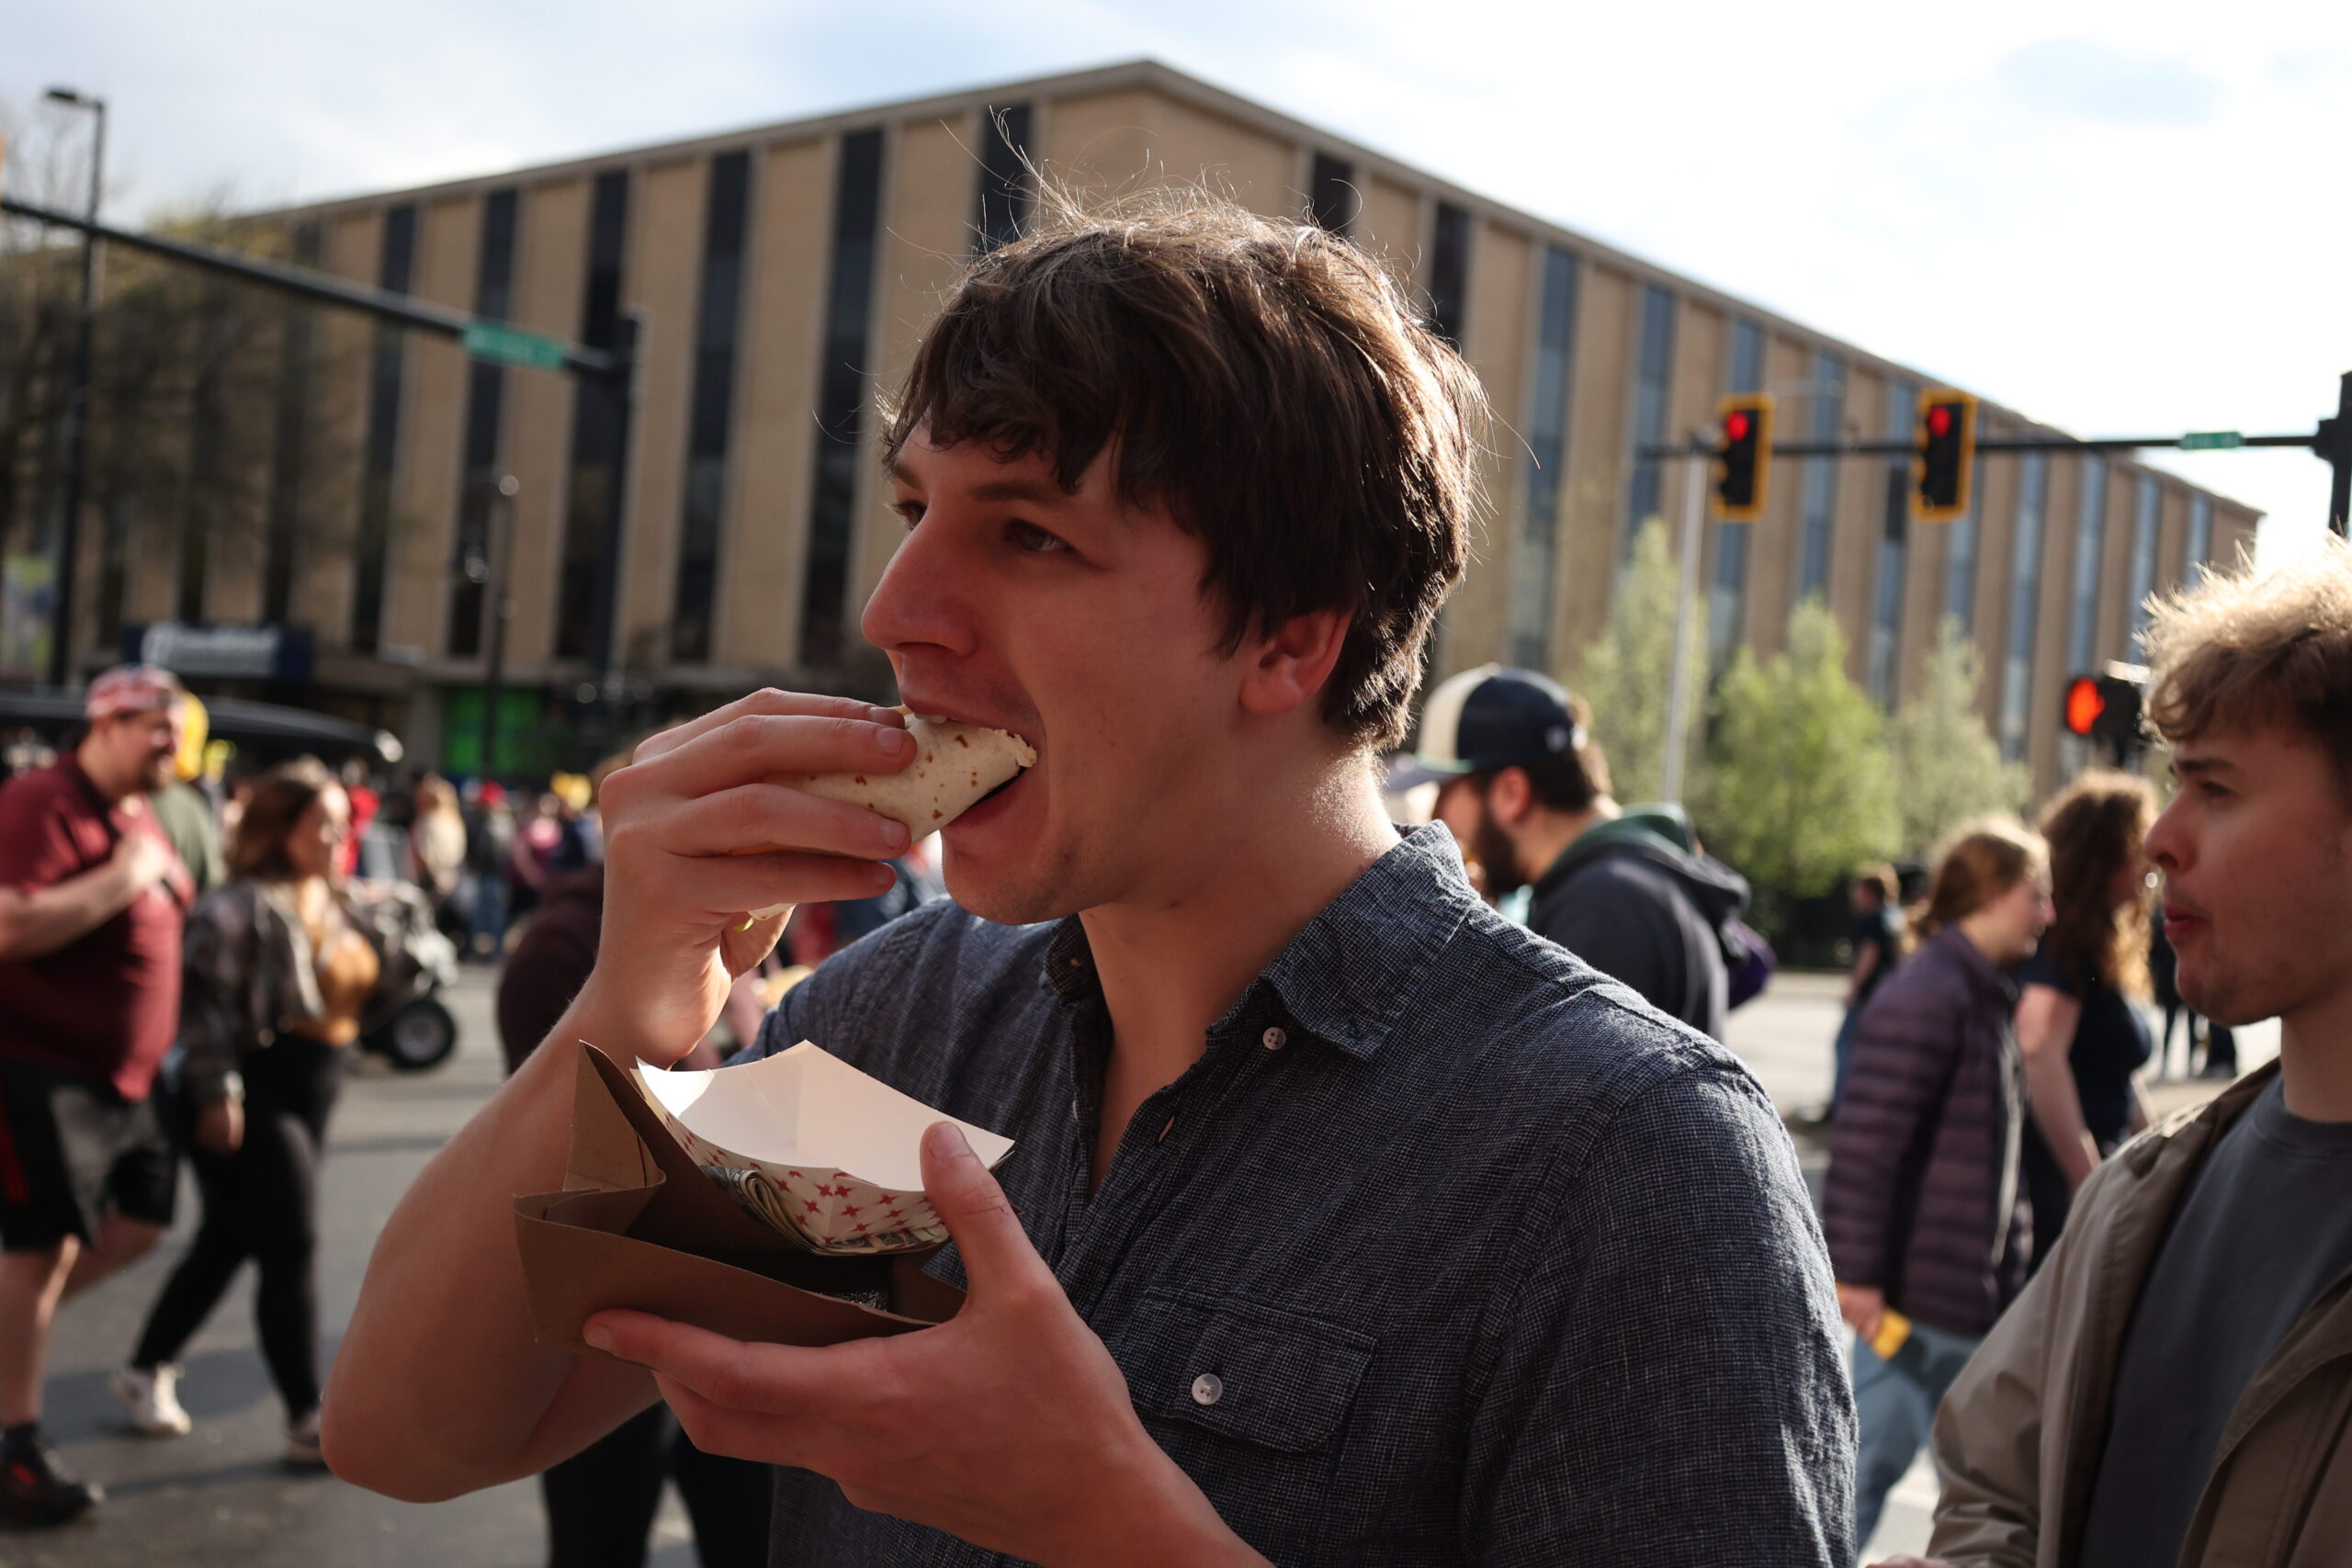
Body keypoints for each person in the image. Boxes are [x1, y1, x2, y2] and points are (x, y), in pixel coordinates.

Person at [324, 190, 1854, 1565]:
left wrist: (1111, 1525)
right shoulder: (884, 1035)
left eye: (1031, 534)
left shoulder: (1630, 1165)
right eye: (916, 510)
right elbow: (407, 1434)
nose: (896, 609)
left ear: (1292, 633)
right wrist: (627, 1002)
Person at [1879, 539, 2352, 1568]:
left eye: (2215, 789)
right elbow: (1990, 1484)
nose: (2158, 841)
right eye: (2172, 785)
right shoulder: (2137, 1199)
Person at [113, 758, 439, 1466]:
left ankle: (143, 1368)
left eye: (344, 824)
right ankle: (304, 1416)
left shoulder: (344, 898)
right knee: (291, 1244)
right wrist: (214, 1090)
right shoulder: (236, 906)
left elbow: (383, 986)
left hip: (317, 1085)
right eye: (322, 824)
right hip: (251, 1089)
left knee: (228, 1240)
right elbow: (200, 1009)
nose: (338, 837)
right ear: (280, 828)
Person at [496, 778, 774, 1568]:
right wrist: (713, 1057)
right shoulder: (563, 945)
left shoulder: (739, 924)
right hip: (619, 1302)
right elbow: (577, 1143)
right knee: (601, 1527)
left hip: (740, 1292)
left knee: (748, 1526)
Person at [0, 665, 195, 1524]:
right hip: (43, 1065)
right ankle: (15, 1452)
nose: (170, 743)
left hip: (132, 1079)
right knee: (38, 1252)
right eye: (153, 727)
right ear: (103, 726)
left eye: (175, 728)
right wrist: (126, 874)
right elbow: (9, 924)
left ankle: (14, 1325)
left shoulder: (140, 809)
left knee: (140, 1223)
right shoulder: (42, 800)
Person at [1823, 818, 2051, 1551]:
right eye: (2034, 895)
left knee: (1900, 1484)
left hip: (1953, 1299)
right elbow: (1867, 1145)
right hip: (1916, 1304)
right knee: (1858, 1485)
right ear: (1989, 892)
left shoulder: (1977, 990)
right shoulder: (1931, 992)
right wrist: (1858, 1276)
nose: (2046, 913)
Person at [1395, 663, 1752, 1039]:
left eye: (1445, 792)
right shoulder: (1625, 884)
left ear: (1511, 792)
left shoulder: (1603, 906)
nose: (1435, 816)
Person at [2015, 773, 2155, 1264]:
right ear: (2104, 855)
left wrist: (2156, 1153)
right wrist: (2087, 1179)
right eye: (2139, 844)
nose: (2152, 860)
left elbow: (2117, 1070)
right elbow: (2038, 1052)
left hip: (2096, 1171)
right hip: (2059, 1184)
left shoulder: (2096, 941)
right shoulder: (2064, 944)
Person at [1829, 863, 1905, 1111]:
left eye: (1858, 890)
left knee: (1844, 1045)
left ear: (1870, 892)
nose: (1854, 895)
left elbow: (1868, 955)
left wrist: (1854, 989)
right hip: (1890, 995)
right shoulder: (1895, 916)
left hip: (1869, 995)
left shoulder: (1871, 919)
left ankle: (1842, 1104)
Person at [406, 773, 469, 941]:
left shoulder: (429, 821)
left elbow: (425, 856)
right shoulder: (454, 820)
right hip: (451, 877)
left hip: (432, 880)